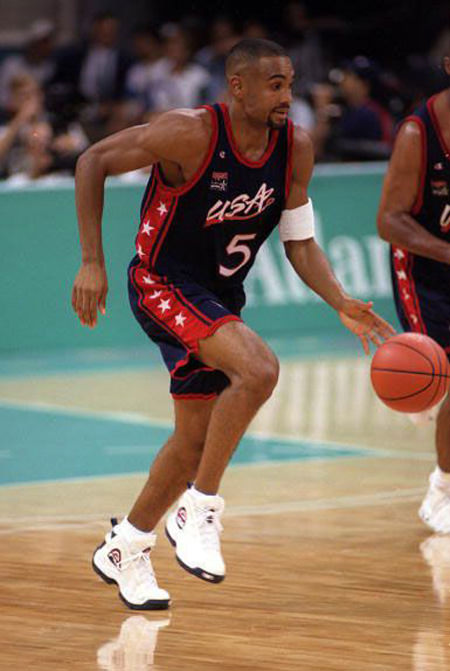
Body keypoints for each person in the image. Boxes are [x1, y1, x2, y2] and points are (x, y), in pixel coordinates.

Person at [72, 38, 393, 610]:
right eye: (275, 84)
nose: (287, 96)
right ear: (237, 86)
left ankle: (127, 544)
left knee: (194, 438)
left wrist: (340, 300)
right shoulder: (189, 132)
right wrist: (92, 260)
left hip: (219, 296)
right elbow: (91, 160)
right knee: (260, 369)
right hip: (160, 282)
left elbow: (300, 243)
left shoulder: (295, 147)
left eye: (290, 83)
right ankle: (202, 509)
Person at [377, 52, 450, 533]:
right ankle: (443, 488)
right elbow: (388, 220)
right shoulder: (417, 133)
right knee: (442, 377)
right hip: (423, 269)